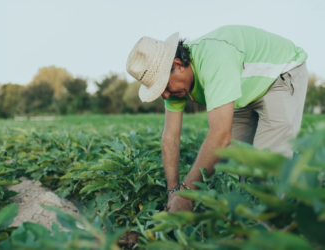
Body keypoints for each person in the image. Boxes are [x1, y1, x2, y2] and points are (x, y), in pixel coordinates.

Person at [126, 25, 308, 212]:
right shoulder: (175, 87)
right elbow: (170, 137)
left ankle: (269, 230)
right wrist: (173, 191)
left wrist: (188, 192)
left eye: (163, 86)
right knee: (231, 166)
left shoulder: (215, 60)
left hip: (280, 75)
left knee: (265, 168)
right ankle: (241, 222)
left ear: (178, 65)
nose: (164, 96)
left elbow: (220, 136)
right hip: (244, 90)